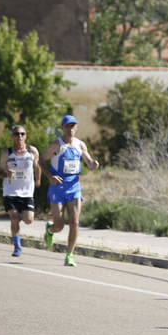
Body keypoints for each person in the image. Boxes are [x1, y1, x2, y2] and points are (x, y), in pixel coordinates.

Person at [42, 114, 100, 266]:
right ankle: (50, 230)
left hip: (74, 188)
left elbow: (88, 161)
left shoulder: (80, 145)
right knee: (59, 225)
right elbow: (40, 159)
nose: (70, 128)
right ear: (62, 128)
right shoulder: (57, 144)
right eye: (67, 125)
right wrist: (49, 176)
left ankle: (69, 255)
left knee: (74, 222)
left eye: (73, 125)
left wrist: (94, 164)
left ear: (77, 127)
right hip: (57, 188)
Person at [0, 125, 41, 257]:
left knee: (28, 220)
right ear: (12, 136)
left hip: (27, 192)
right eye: (16, 134)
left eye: (22, 134)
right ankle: (17, 246)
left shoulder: (32, 151)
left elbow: (38, 166)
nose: (19, 136)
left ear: (25, 136)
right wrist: (6, 174)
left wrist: (38, 180)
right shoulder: (7, 153)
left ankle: (17, 220)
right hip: (10, 191)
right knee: (14, 218)